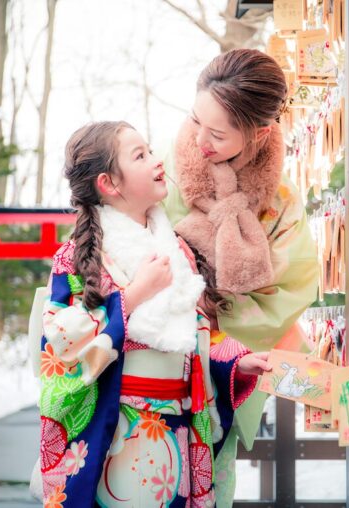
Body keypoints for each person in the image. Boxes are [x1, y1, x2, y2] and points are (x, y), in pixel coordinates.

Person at [36, 121, 271, 507]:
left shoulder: (175, 248)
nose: (157, 161)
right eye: (140, 155)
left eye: (150, 150)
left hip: (179, 425)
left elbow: (195, 332)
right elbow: (59, 346)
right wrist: (132, 296)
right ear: (109, 183)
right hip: (119, 430)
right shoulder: (80, 257)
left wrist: (234, 362)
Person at [162, 48, 320, 505]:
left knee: (209, 484)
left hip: (224, 370)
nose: (200, 141)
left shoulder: (282, 202)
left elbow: (289, 293)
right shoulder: (161, 172)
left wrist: (212, 330)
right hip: (149, 364)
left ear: (260, 133)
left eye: (217, 134)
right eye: (195, 121)